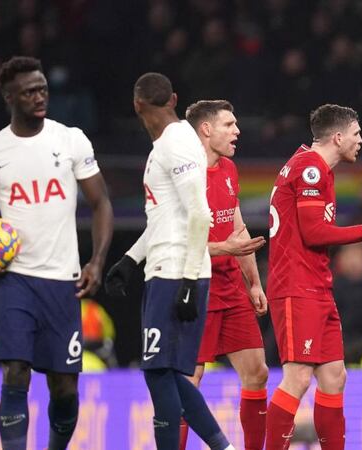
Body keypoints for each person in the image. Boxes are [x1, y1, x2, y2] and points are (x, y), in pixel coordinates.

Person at [0, 56, 114, 450]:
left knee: (64, 387)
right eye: (29, 92)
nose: (39, 97)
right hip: (14, 280)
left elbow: (101, 204)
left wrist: (96, 261)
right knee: (15, 372)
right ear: (10, 97)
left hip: (63, 281)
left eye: (42, 88)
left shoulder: (71, 139)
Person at [107, 99, 269, 450]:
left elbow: (236, 226)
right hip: (194, 283)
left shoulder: (229, 169)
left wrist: (253, 281)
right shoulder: (183, 172)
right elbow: (175, 239)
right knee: (188, 380)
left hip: (231, 287)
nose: (237, 131)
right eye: (229, 124)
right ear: (206, 130)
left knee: (257, 373)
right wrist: (225, 249)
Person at [265, 104, 362, 450]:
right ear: (339, 136)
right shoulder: (310, 169)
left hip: (316, 286)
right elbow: (314, 232)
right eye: (357, 134)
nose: (361, 140)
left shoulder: (313, 166)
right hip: (296, 287)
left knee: (334, 376)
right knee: (298, 378)